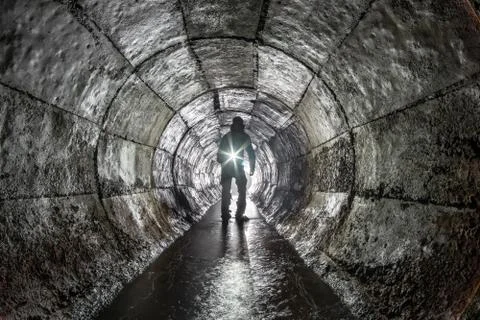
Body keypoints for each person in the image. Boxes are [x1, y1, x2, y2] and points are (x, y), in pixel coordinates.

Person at [217, 117, 255, 222]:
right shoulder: (245, 137)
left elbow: (219, 155)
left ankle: (225, 214)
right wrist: (252, 168)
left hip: (227, 167)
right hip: (238, 167)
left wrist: (222, 160)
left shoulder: (226, 137)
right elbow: (251, 153)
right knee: (242, 190)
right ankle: (239, 214)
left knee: (226, 190)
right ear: (242, 125)